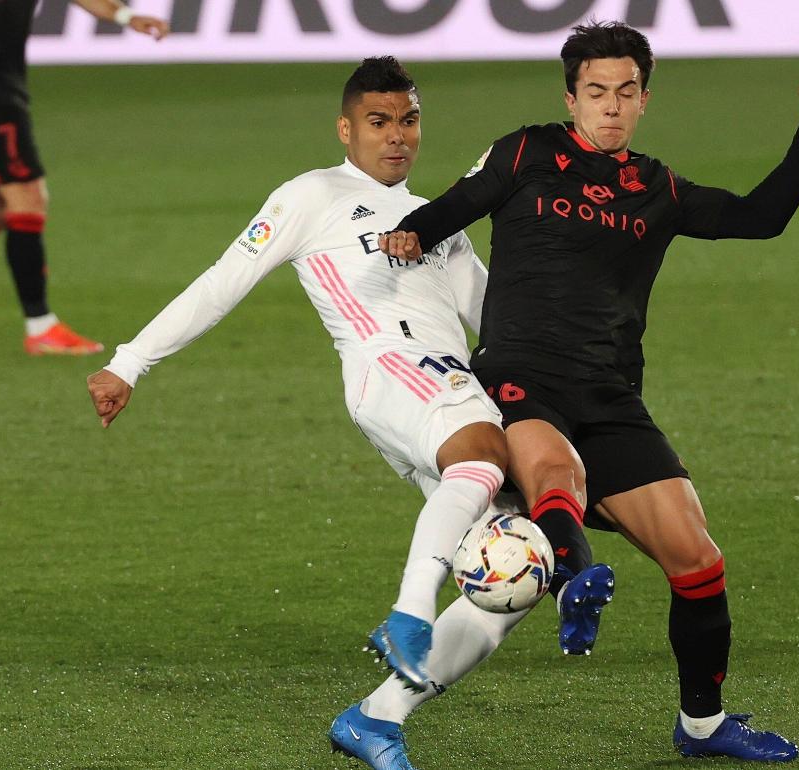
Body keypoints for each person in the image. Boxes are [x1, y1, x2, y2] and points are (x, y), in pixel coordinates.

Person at [379, 21, 799, 763]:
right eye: (596, 92)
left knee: (699, 561)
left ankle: (701, 726)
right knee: (554, 471)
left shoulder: (657, 187)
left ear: (644, 100)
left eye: (625, 93)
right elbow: (456, 205)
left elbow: (762, 219)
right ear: (571, 97)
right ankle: (574, 582)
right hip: (519, 375)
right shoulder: (527, 152)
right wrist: (411, 229)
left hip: (610, 393)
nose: (611, 106)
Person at [84, 57, 521, 770]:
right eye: (379, 122)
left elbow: (499, 322)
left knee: (508, 573)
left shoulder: (443, 221)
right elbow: (226, 278)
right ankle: (410, 611)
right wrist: (130, 361)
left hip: (444, 383)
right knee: (477, 450)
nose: (397, 137)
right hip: (389, 369)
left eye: (408, 120)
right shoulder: (313, 196)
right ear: (346, 129)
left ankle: (377, 718)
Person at [0, 0, 167, 354]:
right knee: (28, 200)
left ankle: (42, 328)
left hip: (0, 89)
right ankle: (41, 327)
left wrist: (126, 15)